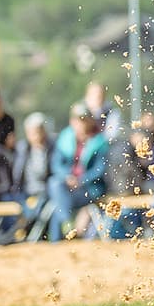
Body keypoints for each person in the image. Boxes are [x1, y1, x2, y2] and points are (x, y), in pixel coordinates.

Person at [47, 102, 109, 241]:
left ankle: (62, 233)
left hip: (89, 189)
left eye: (83, 119)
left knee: (59, 202)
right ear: (71, 121)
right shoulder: (65, 138)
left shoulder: (99, 141)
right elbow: (56, 164)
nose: (80, 123)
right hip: (67, 187)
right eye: (77, 120)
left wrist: (81, 180)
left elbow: (100, 169)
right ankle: (67, 226)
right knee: (55, 185)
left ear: (90, 120)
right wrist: (68, 177)